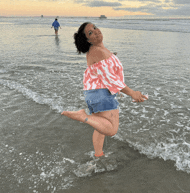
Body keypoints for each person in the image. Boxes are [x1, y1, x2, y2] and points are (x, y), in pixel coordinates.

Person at [61, 22, 148, 158]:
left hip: (94, 93)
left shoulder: (99, 50)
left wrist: (112, 56)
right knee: (112, 129)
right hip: (101, 93)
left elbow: (104, 67)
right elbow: (112, 79)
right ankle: (83, 116)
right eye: (90, 33)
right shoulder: (98, 51)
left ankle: (98, 154)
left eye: (94, 28)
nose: (96, 31)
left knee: (100, 128)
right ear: (88, 40)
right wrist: (132, 93)